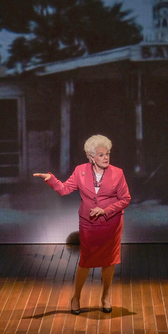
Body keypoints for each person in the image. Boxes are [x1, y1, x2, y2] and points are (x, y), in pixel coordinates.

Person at [33, 134, 131, 314]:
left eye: (107, 153)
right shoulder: (80, 171)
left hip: (111, 224)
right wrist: (51, 179)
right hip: (89, 224)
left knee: (109, 261)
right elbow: (64, 190)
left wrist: (106, 210)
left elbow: (125, 199)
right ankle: (76, 297)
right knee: (85, 261)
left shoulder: (118, 173)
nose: (106, 157)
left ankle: (106, 296)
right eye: (101, 155)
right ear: (91, 157)